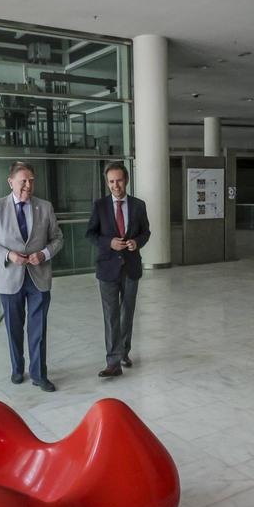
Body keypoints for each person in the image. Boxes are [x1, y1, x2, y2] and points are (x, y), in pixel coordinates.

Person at [0, 161, 64, 391]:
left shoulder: (44, 207)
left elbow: (57, 239)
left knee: (39, 329)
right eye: (23, 180)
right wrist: (7, 255)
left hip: (38, 276)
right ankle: (17, 369)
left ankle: (38, 374)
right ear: (10, 182)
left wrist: (44, 254)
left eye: (31, 181)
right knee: (14, 328)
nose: (28, 185)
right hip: (8, 278)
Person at [85, 161, 150, 378]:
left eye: (119, 180)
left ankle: (124, 352)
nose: (115, 185)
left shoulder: (139, 205)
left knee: (127, 312)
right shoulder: (99, 206)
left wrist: (137, 242)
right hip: (107, 268)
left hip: (131, 267)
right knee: (110, 314)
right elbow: (90, 234)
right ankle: (113, 361)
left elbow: (146, 232)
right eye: (111, 181)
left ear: (127, 180)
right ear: (107, 182)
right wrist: (109, 243)